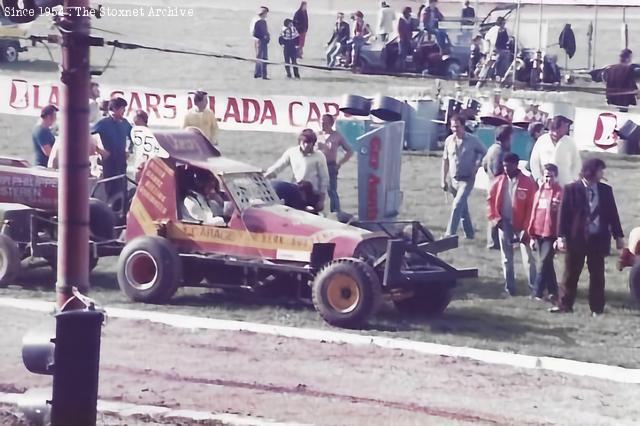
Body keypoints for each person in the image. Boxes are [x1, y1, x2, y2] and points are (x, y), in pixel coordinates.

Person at [551, 159, 624, 315]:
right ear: (591, 171)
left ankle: (597, 308)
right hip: (577, 238)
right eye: (600, 170)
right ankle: (565, 305)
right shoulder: (571, 189)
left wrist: (618, 236)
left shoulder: (605, 190)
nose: (602, 174)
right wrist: (561, 237)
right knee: (571, 274)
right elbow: (563, 216)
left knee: (597, 275)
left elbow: (612, 214)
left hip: (598, 239)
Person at [487, 153, 537, 296]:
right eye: (504, 166)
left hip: (522, 226)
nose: (506, 169)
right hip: (504, 224)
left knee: (528, 258)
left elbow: (532, 207)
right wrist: (496, 220)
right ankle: (510, 288)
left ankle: (534, 287)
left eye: (509, 166)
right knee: (507, 258)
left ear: (516, 165)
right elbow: (490, 202)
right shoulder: (498, 181)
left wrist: (526, 229)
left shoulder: (528, 183)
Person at [441, 114, 487, 239]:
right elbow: (445, 160)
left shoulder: (473, 140)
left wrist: (477, 165)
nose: (455, 129)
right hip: (453, 179)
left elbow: (485, 153)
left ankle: (449, 234)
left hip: (467, 179)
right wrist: (443, 179)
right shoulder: (448, 141)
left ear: (463, 126)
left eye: (457, 126)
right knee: (463, 209)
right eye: (452, 127)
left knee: (457, 205)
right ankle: (470, 234)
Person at [265, 129, 329, 213]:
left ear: (313, 144)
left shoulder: (319, 156)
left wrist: (322, 200)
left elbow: (324, 179)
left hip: (312, 192)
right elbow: (279, 166)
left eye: (309, 143)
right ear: (300, 142)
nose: (306, 145)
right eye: (304, 142)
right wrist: (266, 175)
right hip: (296, 190)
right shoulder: (292, 152)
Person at [528, 163, 563, 301]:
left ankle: (537, 292)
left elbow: (562, 216)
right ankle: (553, 291)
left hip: (551, 234)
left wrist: (560, 237)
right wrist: (531, 235)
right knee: (547, 264)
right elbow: (533, 214)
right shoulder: (539, 192)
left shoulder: (560, 193)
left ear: (556, 177)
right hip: (538, 232)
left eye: (551, 176)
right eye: (546, 176)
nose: (548, 179)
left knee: (542, 263)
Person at [92, 97, 133, 197]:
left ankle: (121, 210)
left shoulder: (125, 123)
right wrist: (99, 150)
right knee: (111, 190)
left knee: (122, 189)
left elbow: (134, 138)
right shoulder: (103, 123)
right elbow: (85, 136)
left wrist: (129, 150)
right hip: (109, 162)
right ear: (114, 108)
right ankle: (111, 210)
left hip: (121, 161)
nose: (124, 111)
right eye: (122, 108)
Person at [482, 124, 512, 249]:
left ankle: (493, 241)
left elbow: (484, 164)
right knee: (497, 214)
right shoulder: (499, 151)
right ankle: (494, 242)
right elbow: (497, 170)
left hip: (491, 184)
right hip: (497, 187)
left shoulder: (491, 148)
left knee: (494, 213)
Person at [529, 115, 581, 186]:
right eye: (565, 126)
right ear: (557, 127)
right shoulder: (542, 140)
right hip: (545, 183)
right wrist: (539, 179)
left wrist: (572, 180)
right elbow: (534, 162)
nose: (567, 128)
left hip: (565, 184)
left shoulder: (570, 142)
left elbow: (577, 164)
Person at [317, 114, 353, 213]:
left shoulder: (337, 136)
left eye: (325, 122)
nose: (322, 124)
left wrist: (339, 163)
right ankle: (317, 210)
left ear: (331, 123)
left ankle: (336, 211)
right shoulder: (317, 135)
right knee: (316, 189)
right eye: (321, 122)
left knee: (331, 191)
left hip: (330, 166)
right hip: (317, 166)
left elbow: (349, 151)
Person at [252, 6, 270, 80]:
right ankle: (261, 74)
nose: (266, 15)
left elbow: (266, 32)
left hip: (264, 42)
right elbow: (255, 33)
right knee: (262, 58)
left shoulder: (264, 22)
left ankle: (259, 74)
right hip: (260, 42)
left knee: (262, 57)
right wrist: (263, 37)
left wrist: (267, 37)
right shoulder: (258, 22)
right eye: (266, 13)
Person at [396, 7, 413, 72]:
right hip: (402, 39)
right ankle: (399, 68)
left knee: (404, 54)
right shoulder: (401, 19)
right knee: (401, 54)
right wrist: (402, 37)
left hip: (407, 39)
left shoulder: (409, 19)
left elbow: (411, 29)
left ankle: (403, 67)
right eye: (409, 12)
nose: (409, 14)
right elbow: (399, 29)